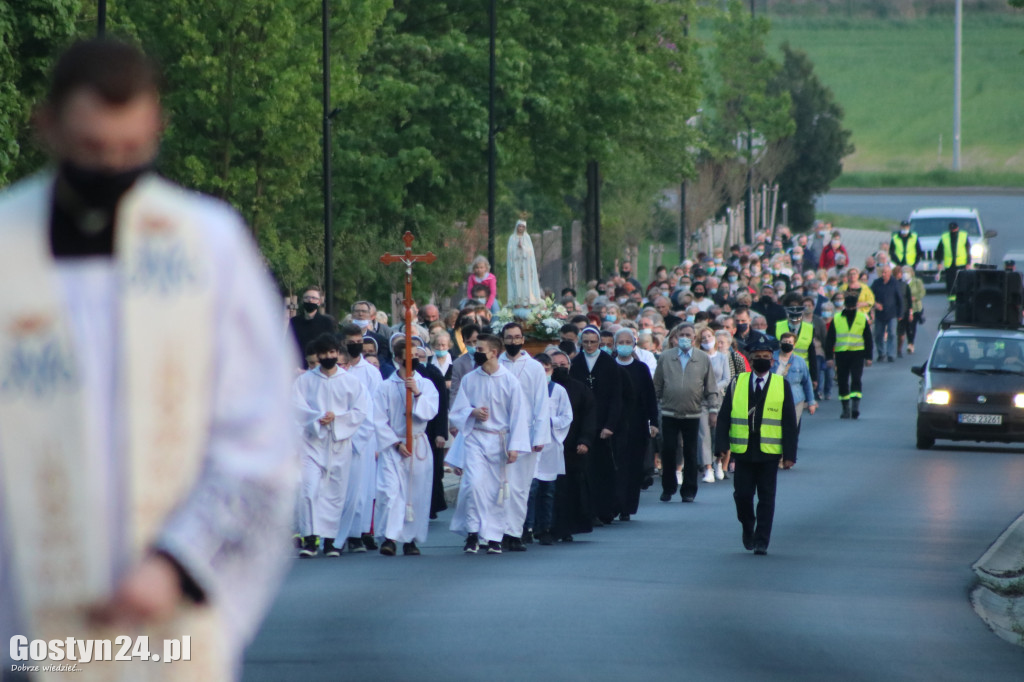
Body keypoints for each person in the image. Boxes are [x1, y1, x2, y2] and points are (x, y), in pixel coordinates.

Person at [0, 39, 299, 679]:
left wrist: (177, 562)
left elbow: (261, 436)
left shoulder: (208, 245)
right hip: (30, 614)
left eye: (130, 152)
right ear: (46, 125)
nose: (110, 169)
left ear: (157, 129)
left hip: (169, 612)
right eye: (91, 151)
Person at [446, 334, 531, 554]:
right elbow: (457, 412)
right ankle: (473, 533)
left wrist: (515, 446)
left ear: (494, 352)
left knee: (496, 490)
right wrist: (472, 412)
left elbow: (519, 415)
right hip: (476, 437)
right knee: (474, 485)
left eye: (480, 348)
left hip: (500, 440)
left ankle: (494, 537)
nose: (476, 352)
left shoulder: (510, 381)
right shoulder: (470, 379)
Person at [715, 333, 798, 555]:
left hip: (769, 452)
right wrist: (721, 445)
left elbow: (790, 423)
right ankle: (747, 524)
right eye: (757, 356)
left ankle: (761, 540)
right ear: (750, 360)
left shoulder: (782, 385)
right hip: (743, 451)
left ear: (772, 360)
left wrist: (789, 454)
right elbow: (724, 417)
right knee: (742, 496)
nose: (762, 359)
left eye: (766, 356)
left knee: (766, 497)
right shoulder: (737, 383)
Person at [294, 335, 368, 559]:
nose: (328, 357)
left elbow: (360, 411)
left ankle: (330, 540)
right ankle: (309, 537)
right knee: (308, 489)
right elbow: (295, 406)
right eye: (323, 354)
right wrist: (316, 418)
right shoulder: (305, 381)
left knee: (335, 492)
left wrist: (336, 418)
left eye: (332, 353)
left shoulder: (350, 382)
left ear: (338, 353)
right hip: (312, 442)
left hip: (338, 443)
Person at [372, 338, 440, 556]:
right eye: (408, 356)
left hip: (418, 443)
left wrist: (418, 393)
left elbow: (430, 412)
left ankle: (411, 539)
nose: (413, 359)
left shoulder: (426, 384)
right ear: (398, 358)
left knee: (416, 494)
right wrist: (395, 443)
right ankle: (390, 538)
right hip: (394, 445)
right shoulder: (384, 387)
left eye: (416, 355)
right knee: (390, 492)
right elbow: (378, 419)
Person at [653, 323, 721, 503]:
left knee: (691, 452)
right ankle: (668, 488)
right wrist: (653, 411)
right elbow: (657, 385)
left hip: (693, 413)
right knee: (668, 450)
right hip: (668, 412)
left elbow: (711, 387)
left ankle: (689, 490)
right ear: (675, 337)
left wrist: (713, 410)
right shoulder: (666, 357)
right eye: (681, 334)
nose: (684, 338)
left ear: (694, 338)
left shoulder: (702, 358)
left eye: (688, 335)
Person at [498, 323, 551, 551]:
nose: (513, 341)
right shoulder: (495, 364)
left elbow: (541, 404)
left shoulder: (535, 367)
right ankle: (497, 532)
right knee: (499, 486)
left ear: (523, 340)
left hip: (527, 436)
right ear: (502, 340)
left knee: (520, 488)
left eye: (517, 337)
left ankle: (515, 532)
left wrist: (539, 436)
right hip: (499, 435)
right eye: (508, 338)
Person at [336, 323, 383, 553]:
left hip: (363, 438)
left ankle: (358, 533)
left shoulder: (371, 373)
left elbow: (375, 408)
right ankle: (333, 534)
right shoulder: (336, 370)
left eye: (358, 342)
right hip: (334, 438)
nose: (354, 346)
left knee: (362, 489)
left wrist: (360, 438)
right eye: (350, 342)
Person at [569, 326, 623, 523]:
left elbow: (616, 397)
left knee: (603, 470)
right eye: (586, 342)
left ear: (599, 343)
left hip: (603, 425)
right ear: (581, 343)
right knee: (584, 471)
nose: (589, 346)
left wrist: (610, 425)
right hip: (582, 425)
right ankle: (587, 512)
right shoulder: (575, 363)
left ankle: (605, 510)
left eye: (593, 342)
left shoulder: (609, 363)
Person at [524, 353, 574, 544]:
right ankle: (526, 528)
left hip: (550, 446)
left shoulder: (558, 391)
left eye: (547, 370)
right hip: (530, 445)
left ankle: (544, 528)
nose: (543, 373)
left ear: (552, 370)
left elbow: (566, 417)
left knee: (548, 490)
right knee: (530, 489)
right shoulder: (525, 390)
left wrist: (548, 422)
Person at [548, 351, 596, 543]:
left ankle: (569, 527)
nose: (561, 367)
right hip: (549, 448)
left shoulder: (581, 389)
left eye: (564, 364)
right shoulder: (544, 388)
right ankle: (548, 526)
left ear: (570, 366)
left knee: (572, 489)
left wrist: (585, 440)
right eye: (556, 364)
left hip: (573, 448)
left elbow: (589, 416)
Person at [613, 329, 660, 519]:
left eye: (627, 342)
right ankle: (614, 504)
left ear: (633, 345)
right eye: (620, 341)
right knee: (617, 466)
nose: (624, 345)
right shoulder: (610, 366)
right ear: (616, 345)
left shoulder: (641, 368)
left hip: (637, 424)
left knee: (633, 467)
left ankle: (628, 507)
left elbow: (650, 397)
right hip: (614, 425)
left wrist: (654, 422)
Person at [826, 293, 874, 419]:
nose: (851, 309)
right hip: (841, 353)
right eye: (849, 306)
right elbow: (830, 339)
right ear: (845, 306)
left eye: (853, 306)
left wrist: (869, 357)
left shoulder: (861, 318)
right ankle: (845, 408)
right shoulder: (837, 318)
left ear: (856, 306)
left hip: (857, 353)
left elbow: (868, 338)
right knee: (842, 381)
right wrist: (829, 357)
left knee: (856, 379)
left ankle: (855, 407)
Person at [773, 332, 817, 430]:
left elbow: (807, 383)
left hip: (795, 400)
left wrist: (811, 402)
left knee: (792, 427)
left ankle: (791, 444)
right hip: (774, 398)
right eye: (784, 342)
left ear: (794, 344)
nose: (787, 344)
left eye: (789, 342)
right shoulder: (771, 359)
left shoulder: (800, 362)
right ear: (780, 343)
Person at [289, 285, 336, 364]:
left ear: (319, 302)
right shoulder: (294, 322)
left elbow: (332, 346)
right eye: (306, 298)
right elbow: (288, 345)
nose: (310, 300)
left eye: (313, 298)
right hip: (298, 365)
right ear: (302, 300)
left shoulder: (327, 322)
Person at [870, 264, 904, 363]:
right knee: (878, 334)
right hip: (879, 314)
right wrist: (875, 304)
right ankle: (881, 353)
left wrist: (900, 314)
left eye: (885, 272)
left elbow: (900, 299)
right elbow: (870, 296)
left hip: (892, 313)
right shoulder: (876, 283)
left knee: (892, 333)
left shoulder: (895, 283)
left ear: (889, 273)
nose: (883, 274)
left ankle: (890, 354)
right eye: (882, 272)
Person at [507, 219, 543, 306]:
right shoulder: (512, 238)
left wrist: (522, 247)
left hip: (525, 265)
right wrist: (517, 249)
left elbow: (530, 252)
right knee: (517, 282)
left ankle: (527, 302)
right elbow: (510, 252)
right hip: (516, 265)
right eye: (520, 226)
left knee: (526, 283)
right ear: (517, 227)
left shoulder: (527, 237)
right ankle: (517, 301)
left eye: (523, 226)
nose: (521, 228)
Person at [935, 221, 971, 304]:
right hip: (950, 265)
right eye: (952, 230)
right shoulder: (944, 237)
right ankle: (952, 302)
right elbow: (939, 251)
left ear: (957, 228)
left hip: (961, 264)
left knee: (962, 283)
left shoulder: (963, 236)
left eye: (954, 229)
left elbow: (968, 250)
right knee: (950, 284)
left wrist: (968, 262)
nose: (953, 231)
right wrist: (939, 262)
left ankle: (961, 301)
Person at [902, 267, 925, 355]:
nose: (905, 274)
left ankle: (911, 343)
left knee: (913, 325)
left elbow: (922, 292)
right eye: (904, 272)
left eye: (907, 272)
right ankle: (909, 341)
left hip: (916, 308)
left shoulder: (917, 281)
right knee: (907, 326)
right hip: (905, 308)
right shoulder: (902, 283)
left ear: (911, 273)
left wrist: (915, 298)